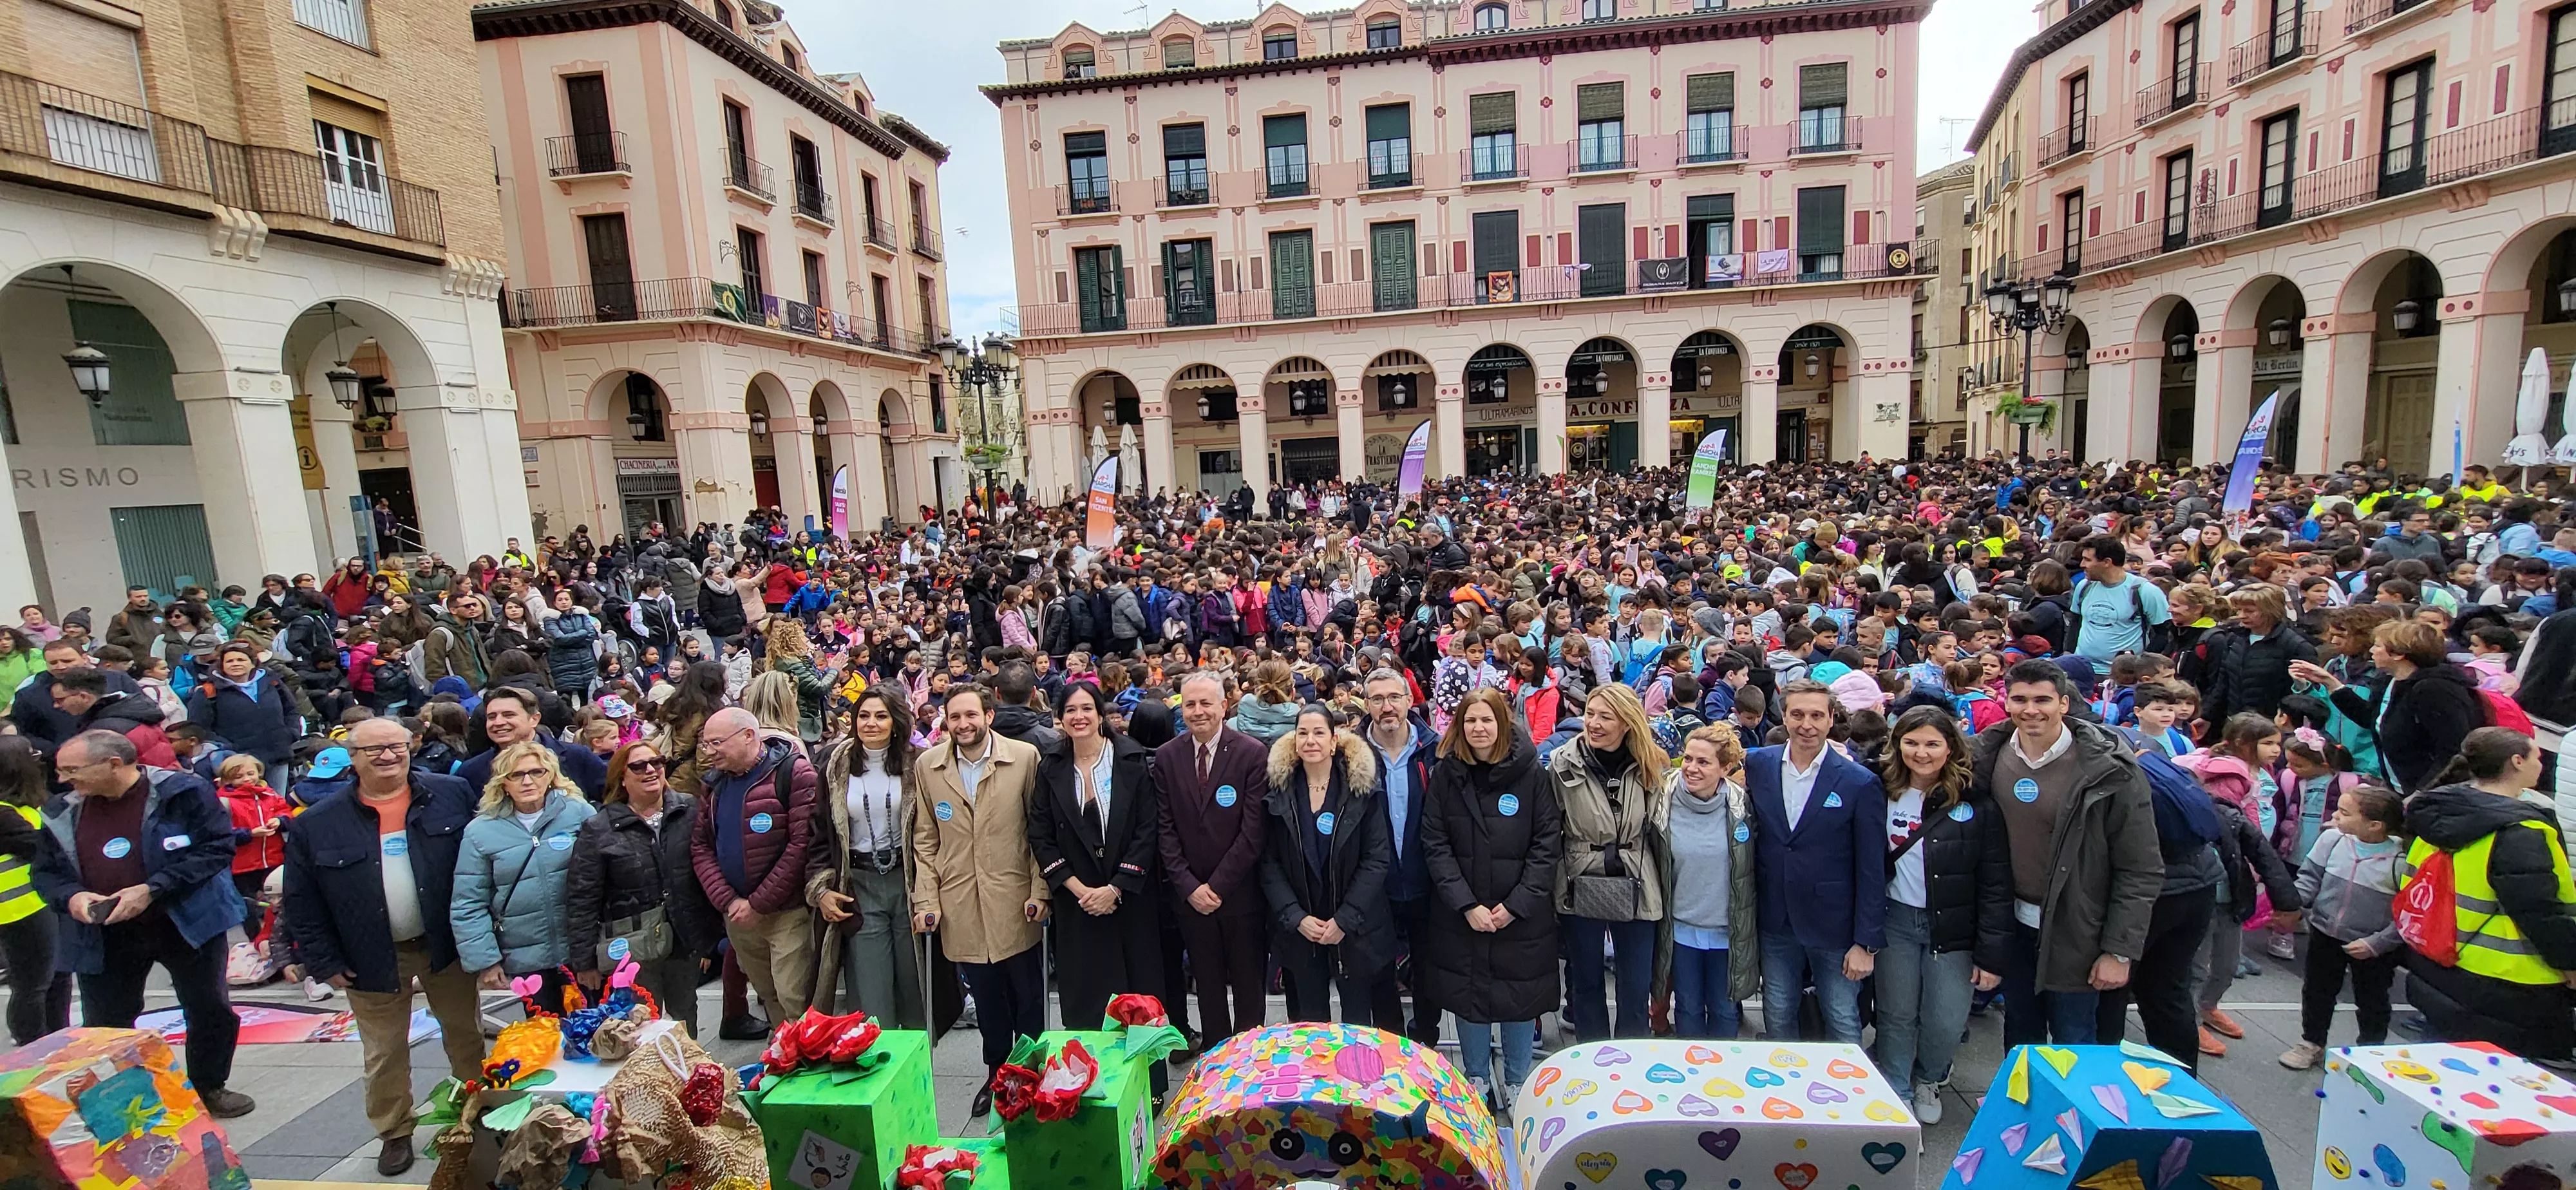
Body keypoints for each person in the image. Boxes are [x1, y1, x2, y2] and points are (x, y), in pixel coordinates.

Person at [279, 717, 486, 1174]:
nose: (389, 756)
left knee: (467, 1036)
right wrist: (323, 961)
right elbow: (301, 901)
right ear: (353, 758)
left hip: (443, 946)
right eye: (374, 750)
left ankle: (480, 1114)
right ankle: (395, 1132)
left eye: (396, 745)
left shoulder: (450, 794)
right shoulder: (317, 824)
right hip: (369, 955)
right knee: (384, 1051)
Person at [28, 730, 253, 1117]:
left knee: (208, 1008)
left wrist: (152, 889)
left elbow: (216, 849)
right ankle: (128, 1102)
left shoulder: (182, 793)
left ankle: (209, 1086)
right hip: (104, 933)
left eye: (72, 770)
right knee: (106, 1022)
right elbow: (46, 873)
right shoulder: (61, 809)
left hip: (185, 923)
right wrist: (73, 897)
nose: (63, 779)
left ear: (114, 764)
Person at [1969, 659, 2163, 1046]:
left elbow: (2140, 868)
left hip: (2079, 927)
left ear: (2064, 704)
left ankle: (2071, 1110)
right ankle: (2025, 1106)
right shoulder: (1985, 755)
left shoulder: (2110, 769)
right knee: (2020, 1031)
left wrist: (2119, 952)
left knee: (2075, 1038)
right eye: (2020, 700)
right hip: (2013, 922)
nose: (2031, 710)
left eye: (2042, 700)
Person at [909, 684, 1048, 1117]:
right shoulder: (929, 766)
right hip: (961, 900)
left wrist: (1039, 890)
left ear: (989, 715)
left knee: (1027, 996)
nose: (964, 724)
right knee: (987, 999)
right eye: (955, 717)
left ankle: (1032, 1073)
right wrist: (925, 899)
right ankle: (996, 1074)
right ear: (945, 721)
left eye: (972, 715)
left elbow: (1038, 832)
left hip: (1013, 895)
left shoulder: (1023, 758)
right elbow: (925, 838)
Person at [2397, 728, 2576, 1059]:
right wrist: (2570, 963)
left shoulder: (2439, 811)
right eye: (2538, 756)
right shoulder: (2521, 831)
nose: (2543, 764)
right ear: (2517, 762)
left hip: (2436, 962)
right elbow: (2540, 912)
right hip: (2507, 983)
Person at [1871, 706, 2011, 1122]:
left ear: (1951, 748)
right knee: (1896, 1013)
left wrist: (1992, 954)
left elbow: (1995, 882)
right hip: (1896, 919)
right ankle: (1898, 1088)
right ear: (1897, 746)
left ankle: (1930, 1076)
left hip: (1952, 927)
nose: (1922, 752)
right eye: (1912, 743)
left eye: (1932, 743)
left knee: (1946, 1019)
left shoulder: (1977, 803)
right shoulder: (1880, 789)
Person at [1422, 688, 1559, 1110]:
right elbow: (1435, 841)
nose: (1478, 729)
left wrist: (1517, 905)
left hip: (1520, 914)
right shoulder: (1448, 774)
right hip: (1465, 913)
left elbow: (1546, 842)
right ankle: (1476, 1076)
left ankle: (1518, 1080)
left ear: (1503, 723)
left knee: (1520, 997)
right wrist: (1465, 903)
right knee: (1470, 996)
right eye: (1470, 721)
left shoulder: (1532, 774)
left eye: (1487, 720)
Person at [1742, 678, 1886, 1044]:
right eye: (1798, 714)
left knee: (1841, 1017)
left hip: (1834, 925)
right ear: (1784, 717)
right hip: (1776, 918)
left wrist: (1866, 942)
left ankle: (1850, 1093)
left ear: (1831, 718)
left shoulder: (1859, 782)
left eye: (1817, 715)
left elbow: (1872, 868)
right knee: (1777, 1012)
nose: (1807, 724)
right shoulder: (1759, 764)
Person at [1029, 681, 1164, 1030]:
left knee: (1138, 997)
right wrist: (1079, 890)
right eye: (1070, 710)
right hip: (1077, 904)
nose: (1079, 717)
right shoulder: (1051, 767)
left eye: (1087, 709)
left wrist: (1116, 888)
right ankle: (1088, 1077)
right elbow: (1041, 835)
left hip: (1129, 900)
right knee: (1087, 1000)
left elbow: (1147, 829)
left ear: (1101, 714)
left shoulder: (1131, 759)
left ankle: (1147, 1083)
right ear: (1059, 718)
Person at [565, 740, 717, 1036]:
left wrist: (708, 939)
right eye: (638, 766)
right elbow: (582, 897)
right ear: (621, 777)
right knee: (640, 1026)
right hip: (631, 947)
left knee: (686, 1018)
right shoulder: (599, 827)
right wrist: (584, 961)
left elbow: (702, 874)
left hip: (684, 939)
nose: (650, 770)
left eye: (657, 763)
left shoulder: (689, 809)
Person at [1153, 672, 1272, 1047]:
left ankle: (1250, 1068)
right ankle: (1215, 1068)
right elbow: (1165, 830)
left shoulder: (1253, 754)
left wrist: (1217, 886)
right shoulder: (1167, 757)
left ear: (1224, 706)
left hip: (1241, 898)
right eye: (1190, 704)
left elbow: (1253, 833)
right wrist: (1189, 887)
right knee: (1207, 990)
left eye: (1206, 703)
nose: (1198, 711)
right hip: (1191, 902)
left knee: (1249, 992)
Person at [1256, 704, 1394, 1025]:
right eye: (1302, 733)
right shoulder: (1279, 792)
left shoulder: (1362, 790)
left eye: (1319, 733)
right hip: (1302, 930)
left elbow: (1376, 859)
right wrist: (1296, 917)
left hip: (1354, 929)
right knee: (1309, 1024)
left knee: (1358, 1025)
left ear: (1334, 741)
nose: (1310, 741)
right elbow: (1268, 862)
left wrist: (1344, 920)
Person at [1549, 684, 1669, 1041]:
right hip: (1579, 872)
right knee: (1585, 980)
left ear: (1627, 723)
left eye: (1606, 717)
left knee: (1635, 983)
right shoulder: (1561, 763)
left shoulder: (1651, 765)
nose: (1594, 723)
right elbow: (1550, 826)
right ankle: (1592, 1057)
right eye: (1590, 714)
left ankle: (1631, 1058)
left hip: (1636, 873)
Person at [692, 706, 820, 1027]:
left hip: (787, 913)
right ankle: (784, 1052)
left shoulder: (795, 774)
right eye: (706, 744)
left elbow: (801, 845)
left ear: (749, 736)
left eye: (717, 743)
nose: (709, 752)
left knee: (795, 997)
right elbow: (701, 847)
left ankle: (807, 1058)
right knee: (768, 994)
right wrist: (729, 901)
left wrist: (759, 903)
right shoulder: (714, 784)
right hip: (738, 917)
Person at [808, 687, 927, 1030]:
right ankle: (879, 1070)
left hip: (909, 882)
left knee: (916, 986)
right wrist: (821, 889)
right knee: (872, 999)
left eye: (881, 716)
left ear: (896, 721)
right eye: (864, 715)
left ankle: (916, 1075)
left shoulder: (919, 762)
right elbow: (818, 832)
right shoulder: (835, 764)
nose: (871, 723)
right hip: (858, 886)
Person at [451, 739, 597, 1014]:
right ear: (503, 783)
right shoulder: (480, 831)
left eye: (536, 772)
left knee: (595, 1033)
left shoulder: (579, 813)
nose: (527, 781)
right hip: (524, 958)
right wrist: (486, 960)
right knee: (545, 1039)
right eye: (517, 775)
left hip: (580, 952)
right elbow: (468, 903)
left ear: (551, 776)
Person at [2279, 782, 2407, 1070]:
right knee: (2317, 991)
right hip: (2325, 933)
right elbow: (2310, 877)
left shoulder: (2402, 859)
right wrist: (2294, 906)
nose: (2334, 817)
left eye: (2344, 813)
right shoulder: (2332, 840)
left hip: (2373, 946)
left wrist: (2378, 943)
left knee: (2372, 999)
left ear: (2375, 825)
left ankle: (2370, 1053)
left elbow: (2409, 913)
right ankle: (2311, 1042)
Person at [1652, 724, 1759, 1044]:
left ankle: (1723, 1081)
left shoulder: (1743, 808)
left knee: (1725, 1010)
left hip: (1728, 930)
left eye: (1703, 762)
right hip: (1681, 928)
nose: (1691, 768)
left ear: (1726, 768)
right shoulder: (1663, 801)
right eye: (1688, 759)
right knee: (1687, 1007)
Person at [2295, 619, 2485, 794]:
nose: (2371, 651)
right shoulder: (2389, 681)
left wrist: (2422, 794)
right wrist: (2331, 684)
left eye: (2377, 646)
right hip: (2401, 788)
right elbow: (2370, 719)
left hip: (2433, 796)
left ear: (2399, 654)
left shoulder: (2436, 689)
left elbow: (2452, 751)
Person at [1358, 666, 1440, 1044]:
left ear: (1410, 700)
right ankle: (1389, 1042)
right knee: (1376, 970)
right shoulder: (1351, 754)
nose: (1387, 707)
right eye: (1377, 699)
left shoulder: (1435, 751)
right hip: (1375, 885)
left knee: (1428, 968)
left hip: (1425, 881)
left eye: (1394, 697)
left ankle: (1426, 1036)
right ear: (1367, 704)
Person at [0, 736, 70, 1044]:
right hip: (18, 909)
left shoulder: (20, 807)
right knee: (33, 984)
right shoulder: (4, 815)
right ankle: (33, 1047)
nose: (41, 760)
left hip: (38, 904)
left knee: (57, 975)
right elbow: (46, 850)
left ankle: (57, 1037)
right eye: (34, 755)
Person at [460, 685, 608, 799]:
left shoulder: (577, 757)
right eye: (492, 717)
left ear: (534, 719)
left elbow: (611, 799)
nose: (498, 722)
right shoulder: (472, 771)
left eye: (508, 715)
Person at [2071, 536, 2171, 664]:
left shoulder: (2144, 591)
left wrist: (2140, 663)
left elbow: (2164, 634)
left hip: (2121, 676)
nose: (2082, 565)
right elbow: (2075, 623)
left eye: (2087, 560)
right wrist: (2069, 653)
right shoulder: (2084, 586)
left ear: (2107, 562)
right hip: (2083, 668)